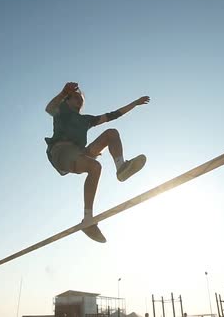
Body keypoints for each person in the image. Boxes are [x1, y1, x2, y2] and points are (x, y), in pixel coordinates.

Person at [45, 82, 150, 242]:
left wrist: (135, 103)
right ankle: (88, 220)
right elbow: (49, 109)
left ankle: (121, 168)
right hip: (61, 152)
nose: (79, 101)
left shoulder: (86, 120)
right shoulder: (62, 111)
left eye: (81, 100)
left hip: (79, 152)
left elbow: (113, 115)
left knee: (111, 133)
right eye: (75, 98)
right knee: (95, 166)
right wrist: (62, 93)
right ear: (67, 100)